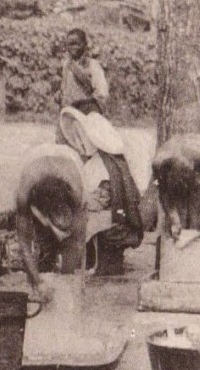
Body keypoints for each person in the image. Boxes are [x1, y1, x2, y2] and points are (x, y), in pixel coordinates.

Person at [59, 107, 144, 276]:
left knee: (76, 220)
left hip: (111, 216)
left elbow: (102, 199)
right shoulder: (109, 162)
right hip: (108, 210)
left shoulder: (105, 165)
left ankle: (85, 262)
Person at [14, 146, 87, 300]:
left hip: (69, 160)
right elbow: (24, 243)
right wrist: (39, 282)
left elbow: (78, 241)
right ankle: (39, 281)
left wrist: (67, 281)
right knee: (43, 244)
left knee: (68, 238)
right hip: (32, 159)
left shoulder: (76, 192)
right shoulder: (23, 195)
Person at [56, 29, 109, 144]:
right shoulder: (66, 65)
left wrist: (82, 102)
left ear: (84, 45)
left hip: (86, 114)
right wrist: (60, 95)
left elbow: (102, 93)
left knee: (86, 147)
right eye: (69, 44)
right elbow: (64, 87)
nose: (73, 47)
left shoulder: (93, 65)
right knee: (64, 148)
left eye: (76, 43)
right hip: (68, 114)